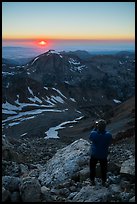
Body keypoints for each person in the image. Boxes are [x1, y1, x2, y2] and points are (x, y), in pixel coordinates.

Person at [89, 119, 112, 186]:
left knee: (92, 167)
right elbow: (109, 142)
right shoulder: (108, 135)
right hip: (103, 155)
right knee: (103, 168)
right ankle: (103, 182)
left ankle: (92, 181)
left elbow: (90, 137)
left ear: (98, 126)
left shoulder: (94, 133)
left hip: (94, 154)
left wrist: (95, 128)